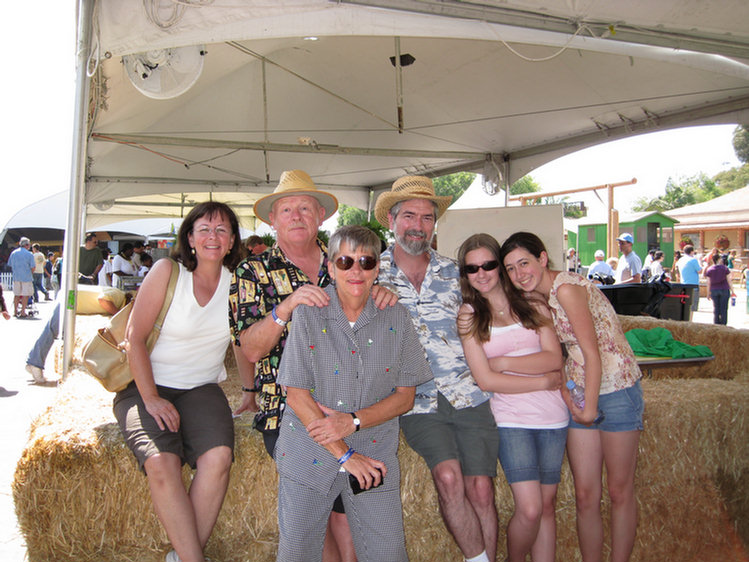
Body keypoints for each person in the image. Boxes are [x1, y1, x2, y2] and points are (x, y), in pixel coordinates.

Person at [231, 170, 397, 562]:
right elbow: (251, 350)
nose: (296, 215)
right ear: (272, 220)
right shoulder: (251, 272)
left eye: (306, 207)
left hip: (352, 404)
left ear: (320, 215)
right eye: (286, 209)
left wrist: (381, 296)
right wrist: (285, 309)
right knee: (318, 510)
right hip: (288, 410)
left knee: (351, 513)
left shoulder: (347, 261)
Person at [274, 225, 432, 562]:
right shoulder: (308, 314)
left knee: (389, 553)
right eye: (345, 262)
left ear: (378, 268)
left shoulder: (397, 316)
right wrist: (345, 454)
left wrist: (353, 422)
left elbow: (405, 396)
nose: (356, 270)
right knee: (297, 553)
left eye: (366, 261)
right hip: (310, 452)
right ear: (330, 268)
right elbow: (297, 396)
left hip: (373, 454)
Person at [374, 175, 499, 562]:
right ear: (391, 221)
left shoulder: (457, 274)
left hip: (469, 392)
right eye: (409, 215)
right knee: (448, 478)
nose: (418, 225)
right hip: (416, 400)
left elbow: (499, 316)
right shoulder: (368, 275)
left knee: (481, 489)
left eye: (427, 217)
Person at [501, 232, 643, 562]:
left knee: (619, 491)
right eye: (510, 269)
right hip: (582, 392)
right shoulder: (538, 298)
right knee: (585, 495)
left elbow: (591, 352)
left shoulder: (565, 288)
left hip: (617, 390)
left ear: (542, 258)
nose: (519, 274)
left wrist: (588, 409)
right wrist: (570, 393)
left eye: (524, 263)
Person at [114, 201, 242, 562]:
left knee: (218, 458)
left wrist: (248, 392)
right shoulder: (167, 271)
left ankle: (183, 557)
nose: (212, 237)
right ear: (190, 237)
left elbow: (241, 342)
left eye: (222, 230)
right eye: (204, 229)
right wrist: (151, 398)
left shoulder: (237, 284)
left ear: (232, 240)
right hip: (146, 385)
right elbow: (134, 337)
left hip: (202, 388)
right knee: (161, 461)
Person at [456, 234, 565, 562]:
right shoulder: (470, 315)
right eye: (472, 268)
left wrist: (504, 364)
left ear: (500, 268)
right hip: (511, 420)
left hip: (554, 417)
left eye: (489, 264)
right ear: (466, 275)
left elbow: (554, 359)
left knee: (547, 508)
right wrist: (543, 380)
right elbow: (486, 380)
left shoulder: (533, 303)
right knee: (530, 509)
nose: (482, 273)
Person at [25, 285, 128, 385]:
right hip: (69, 299)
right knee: (51, 331)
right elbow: (103, 300)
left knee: (51, 330)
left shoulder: (118, 295)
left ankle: (33, 361)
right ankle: (35, 363)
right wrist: (118, 313)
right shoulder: (118, 295)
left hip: (70, 298)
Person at [8, 237, 35, 318]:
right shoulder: (29, 254)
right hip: (26, 277)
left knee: (16, 294)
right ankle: (23, 311)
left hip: (16, 276)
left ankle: (15, 311)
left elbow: (10, 264)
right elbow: (33, 267)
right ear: (26, 245)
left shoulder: (13, 253)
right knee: (25, 295)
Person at [704, 252, 733, 325]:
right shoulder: (725, 268)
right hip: (724, 289)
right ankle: (723, 324)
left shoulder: (710, 269)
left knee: (716, 308)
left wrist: (708, 293)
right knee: (724, 309)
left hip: (714, 290)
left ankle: (716, 324)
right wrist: (733, 291)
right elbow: (729, 280)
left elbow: (708, 283)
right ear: (719, 259)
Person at [676, 245, 702, 315]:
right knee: (692, 307)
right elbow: (700, 271)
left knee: (685, 305)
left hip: (683, 284)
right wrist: (699, 261)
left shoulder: (680, 260)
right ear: (691, 252)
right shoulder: (693, 260)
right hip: (693, 284)